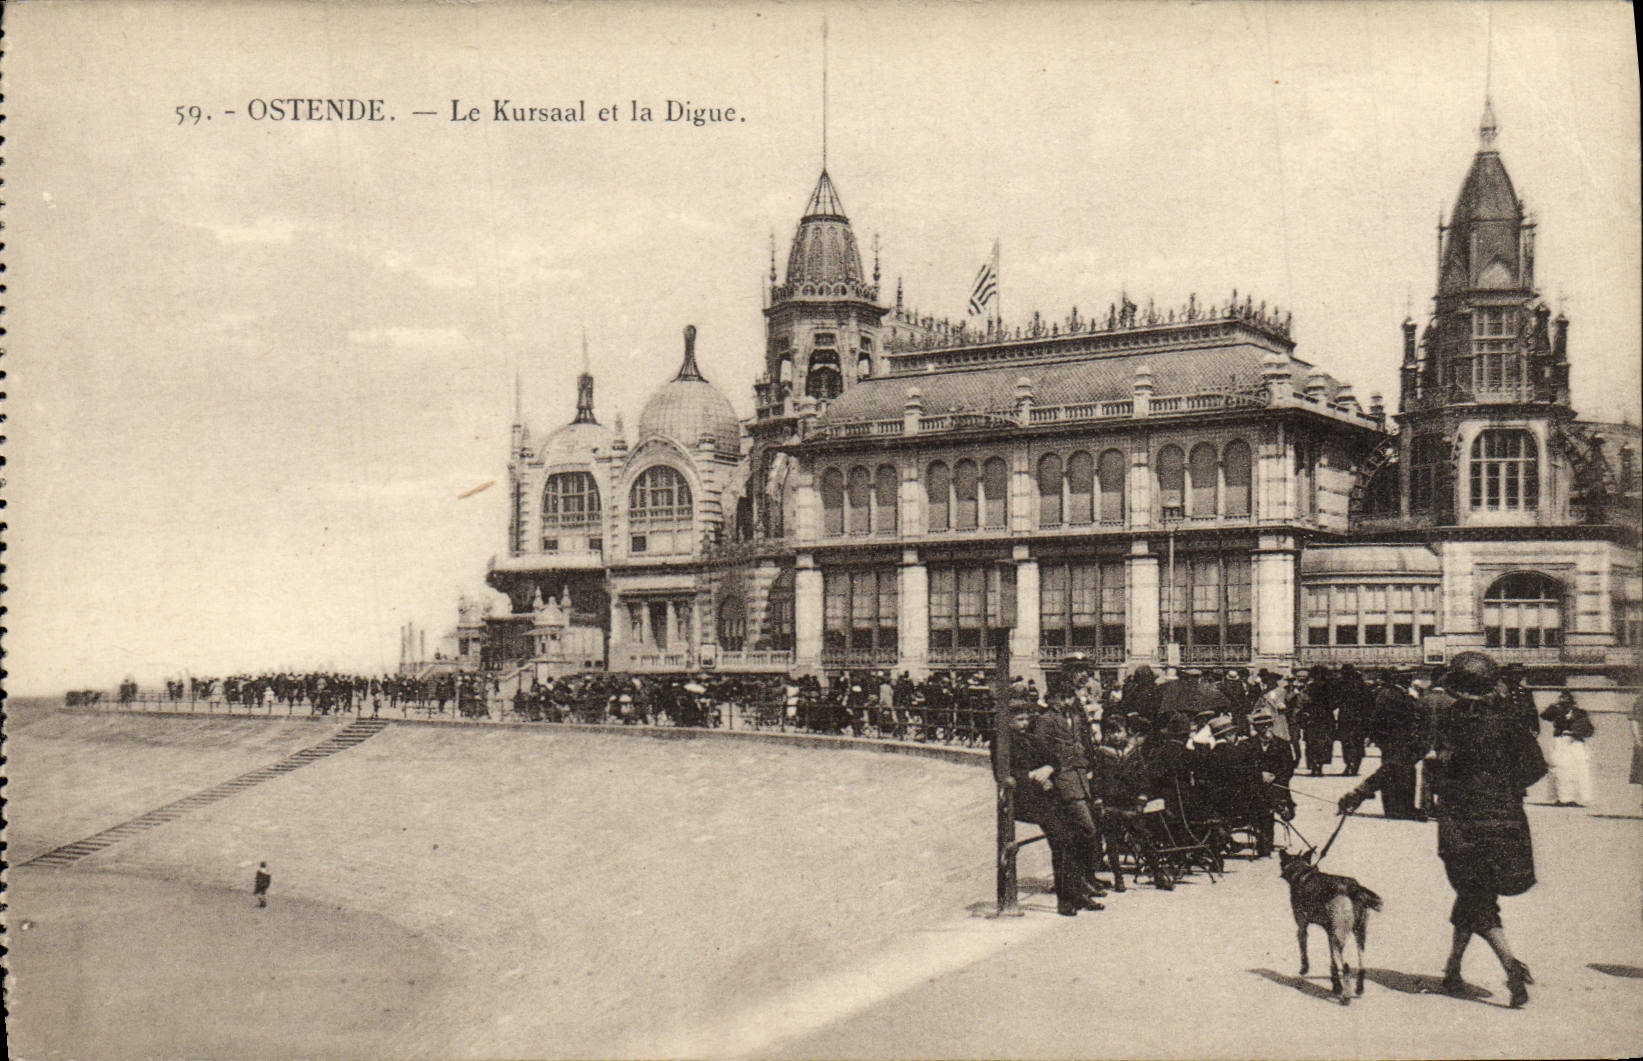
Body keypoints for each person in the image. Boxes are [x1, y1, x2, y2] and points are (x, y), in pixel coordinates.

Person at [1384, 651, 1544, 1007]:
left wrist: (1360, 791)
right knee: (1474, 894)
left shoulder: (1452, 720)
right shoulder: (1510, 720)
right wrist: (1504, 785)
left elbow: (1403, 759)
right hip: (1507, 821)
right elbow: (1536, 767)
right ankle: (1452, 970)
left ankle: (1510, 966)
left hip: (1461, 823)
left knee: (1475, 896)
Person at [1001, 693, 1104, 916]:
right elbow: (1003, 775)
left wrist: (1048, 768)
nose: (1024, 723)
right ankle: (1066, 900)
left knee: (1079, 833)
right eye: (1019, 720)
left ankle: (1078, 892)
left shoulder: (1031, 738)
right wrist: (1029, 775)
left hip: (1045, 796)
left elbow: (1053, 758)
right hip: (1024, 799)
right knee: (1062, 839)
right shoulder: (1002, 743)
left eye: (1026, 719)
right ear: (1007, 720)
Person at [1540, 691, 1595, 807]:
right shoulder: (1557, 712)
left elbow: (1589, 729)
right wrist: (1555, 706)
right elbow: (1545, 715)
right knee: (1561, 768)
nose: (1566, 704)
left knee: (1578, 769)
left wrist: (1577, 731)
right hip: (1561, 741)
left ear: (1573, 702)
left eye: (1568, 701)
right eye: (1563, 700)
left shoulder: (1580, 713)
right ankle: (1562, 797)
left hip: (1576, 742)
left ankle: (1575, 798)